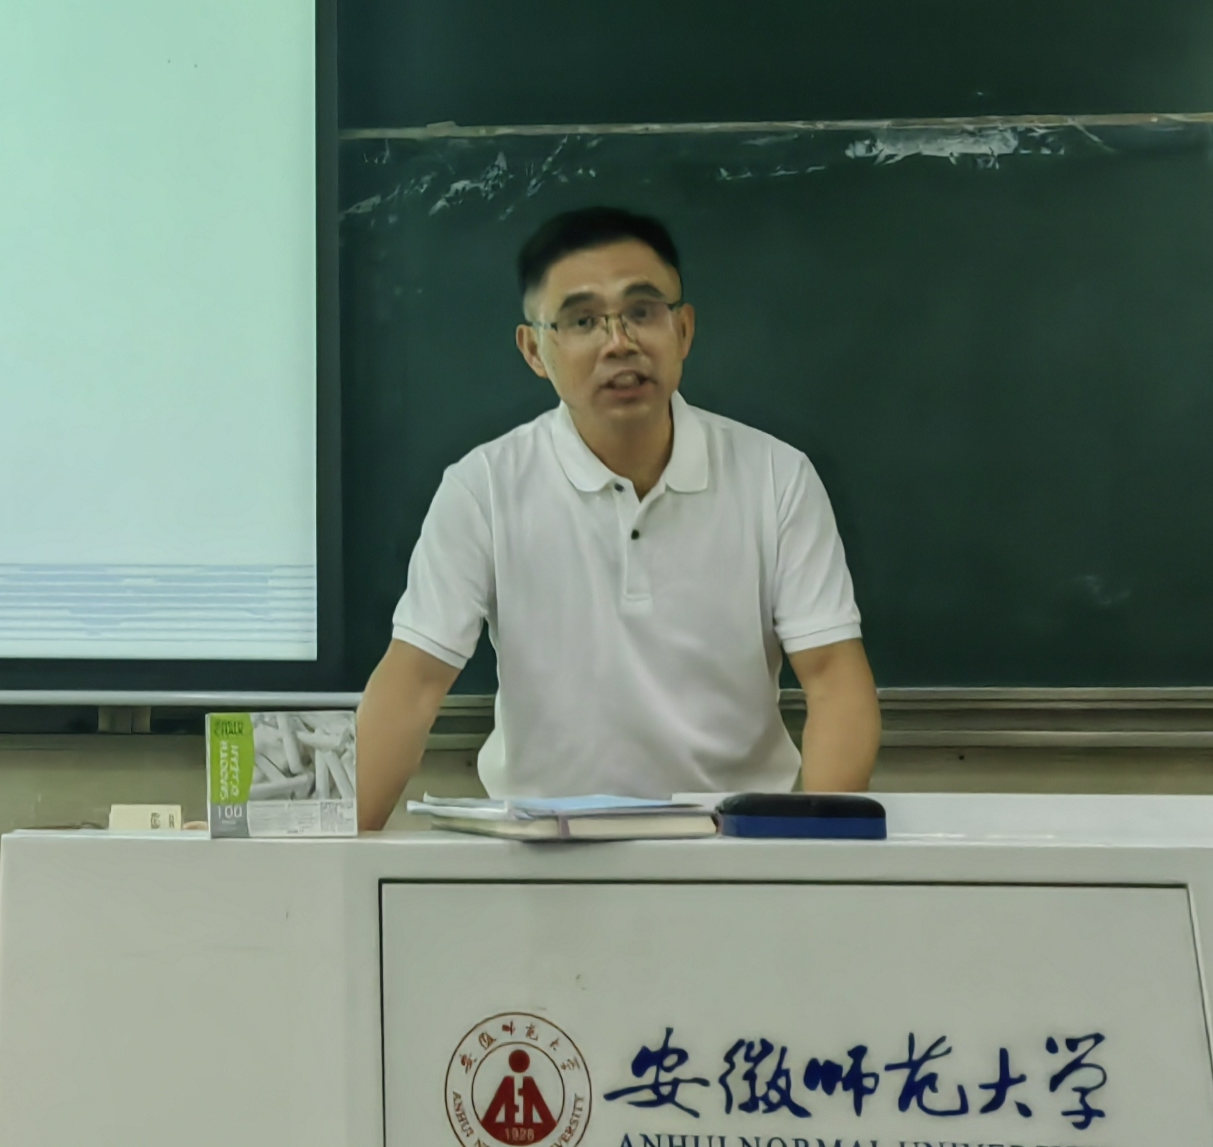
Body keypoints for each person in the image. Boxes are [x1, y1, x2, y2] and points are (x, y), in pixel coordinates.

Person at [354, 203, 878, 830]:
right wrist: (333, 860)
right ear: (534, 349)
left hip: (733, 844)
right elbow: (413, 685)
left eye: (642, 311)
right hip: (540, 850)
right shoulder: (483, 488)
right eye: (582, 321)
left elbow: (833, 681)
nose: (619, 343)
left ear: (683, 330)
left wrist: (817, 855)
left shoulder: (776, 476)